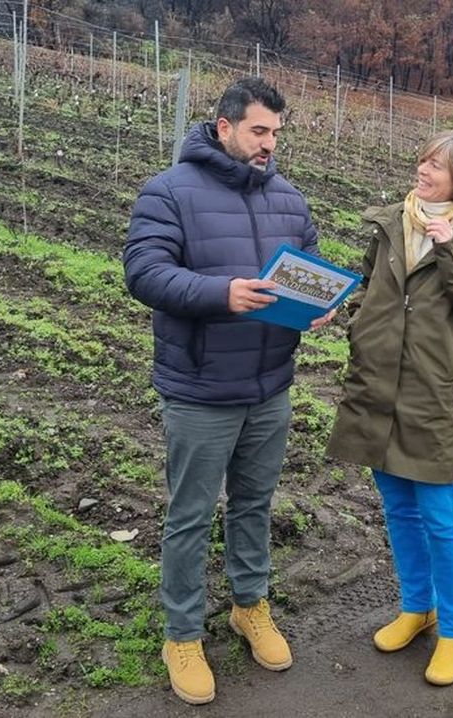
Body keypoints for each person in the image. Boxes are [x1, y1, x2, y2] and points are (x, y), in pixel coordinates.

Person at [124, 77, 332, 706]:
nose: (270, 144)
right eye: (259, 131)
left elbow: (311, 265)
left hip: (269, 386)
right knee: (189, 515)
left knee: (253, 505)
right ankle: (182, 634)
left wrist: (318, 305)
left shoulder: (289, 200)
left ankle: (250, 606)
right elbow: (145, 272)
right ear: (224, 127)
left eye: (276, 133)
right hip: (200, 388)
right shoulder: (169, 192)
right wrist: (223, 294)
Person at [326, 130, 453, 687]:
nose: (423, 171)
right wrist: (355, 318)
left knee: (439, 512)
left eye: (437, 165)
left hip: (431, 388)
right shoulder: (391, 220)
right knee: (397, 506)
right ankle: (416, 607)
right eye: (423, 159)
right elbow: (367, 283)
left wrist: (450, 247)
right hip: (377, 380)